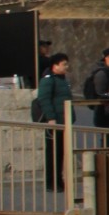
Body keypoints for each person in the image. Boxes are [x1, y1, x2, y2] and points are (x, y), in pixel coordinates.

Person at [35, 52, 72, 192]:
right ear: (55, 66)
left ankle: (59, 180)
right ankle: (52, 182)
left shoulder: (61, 80)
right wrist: (51, 118)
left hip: (63, 121)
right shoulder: (48, 80)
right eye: (64, 64)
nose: (66, 67)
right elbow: (44, 99)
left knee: (60, 152)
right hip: (55, 121)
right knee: (53, 153)